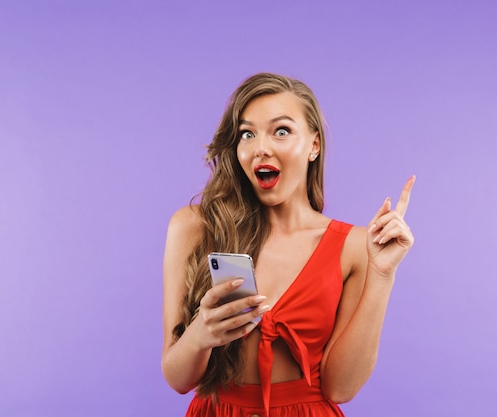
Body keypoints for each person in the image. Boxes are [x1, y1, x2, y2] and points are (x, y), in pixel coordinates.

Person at [161, 72, 415, 417]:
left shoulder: (354, 247)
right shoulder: (195, 228)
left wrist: (383, 274)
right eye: (247, 134)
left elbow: (341, 387)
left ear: (314, 145)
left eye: (281, 131)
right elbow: (177, 378)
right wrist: (201, 333)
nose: (261, 147)